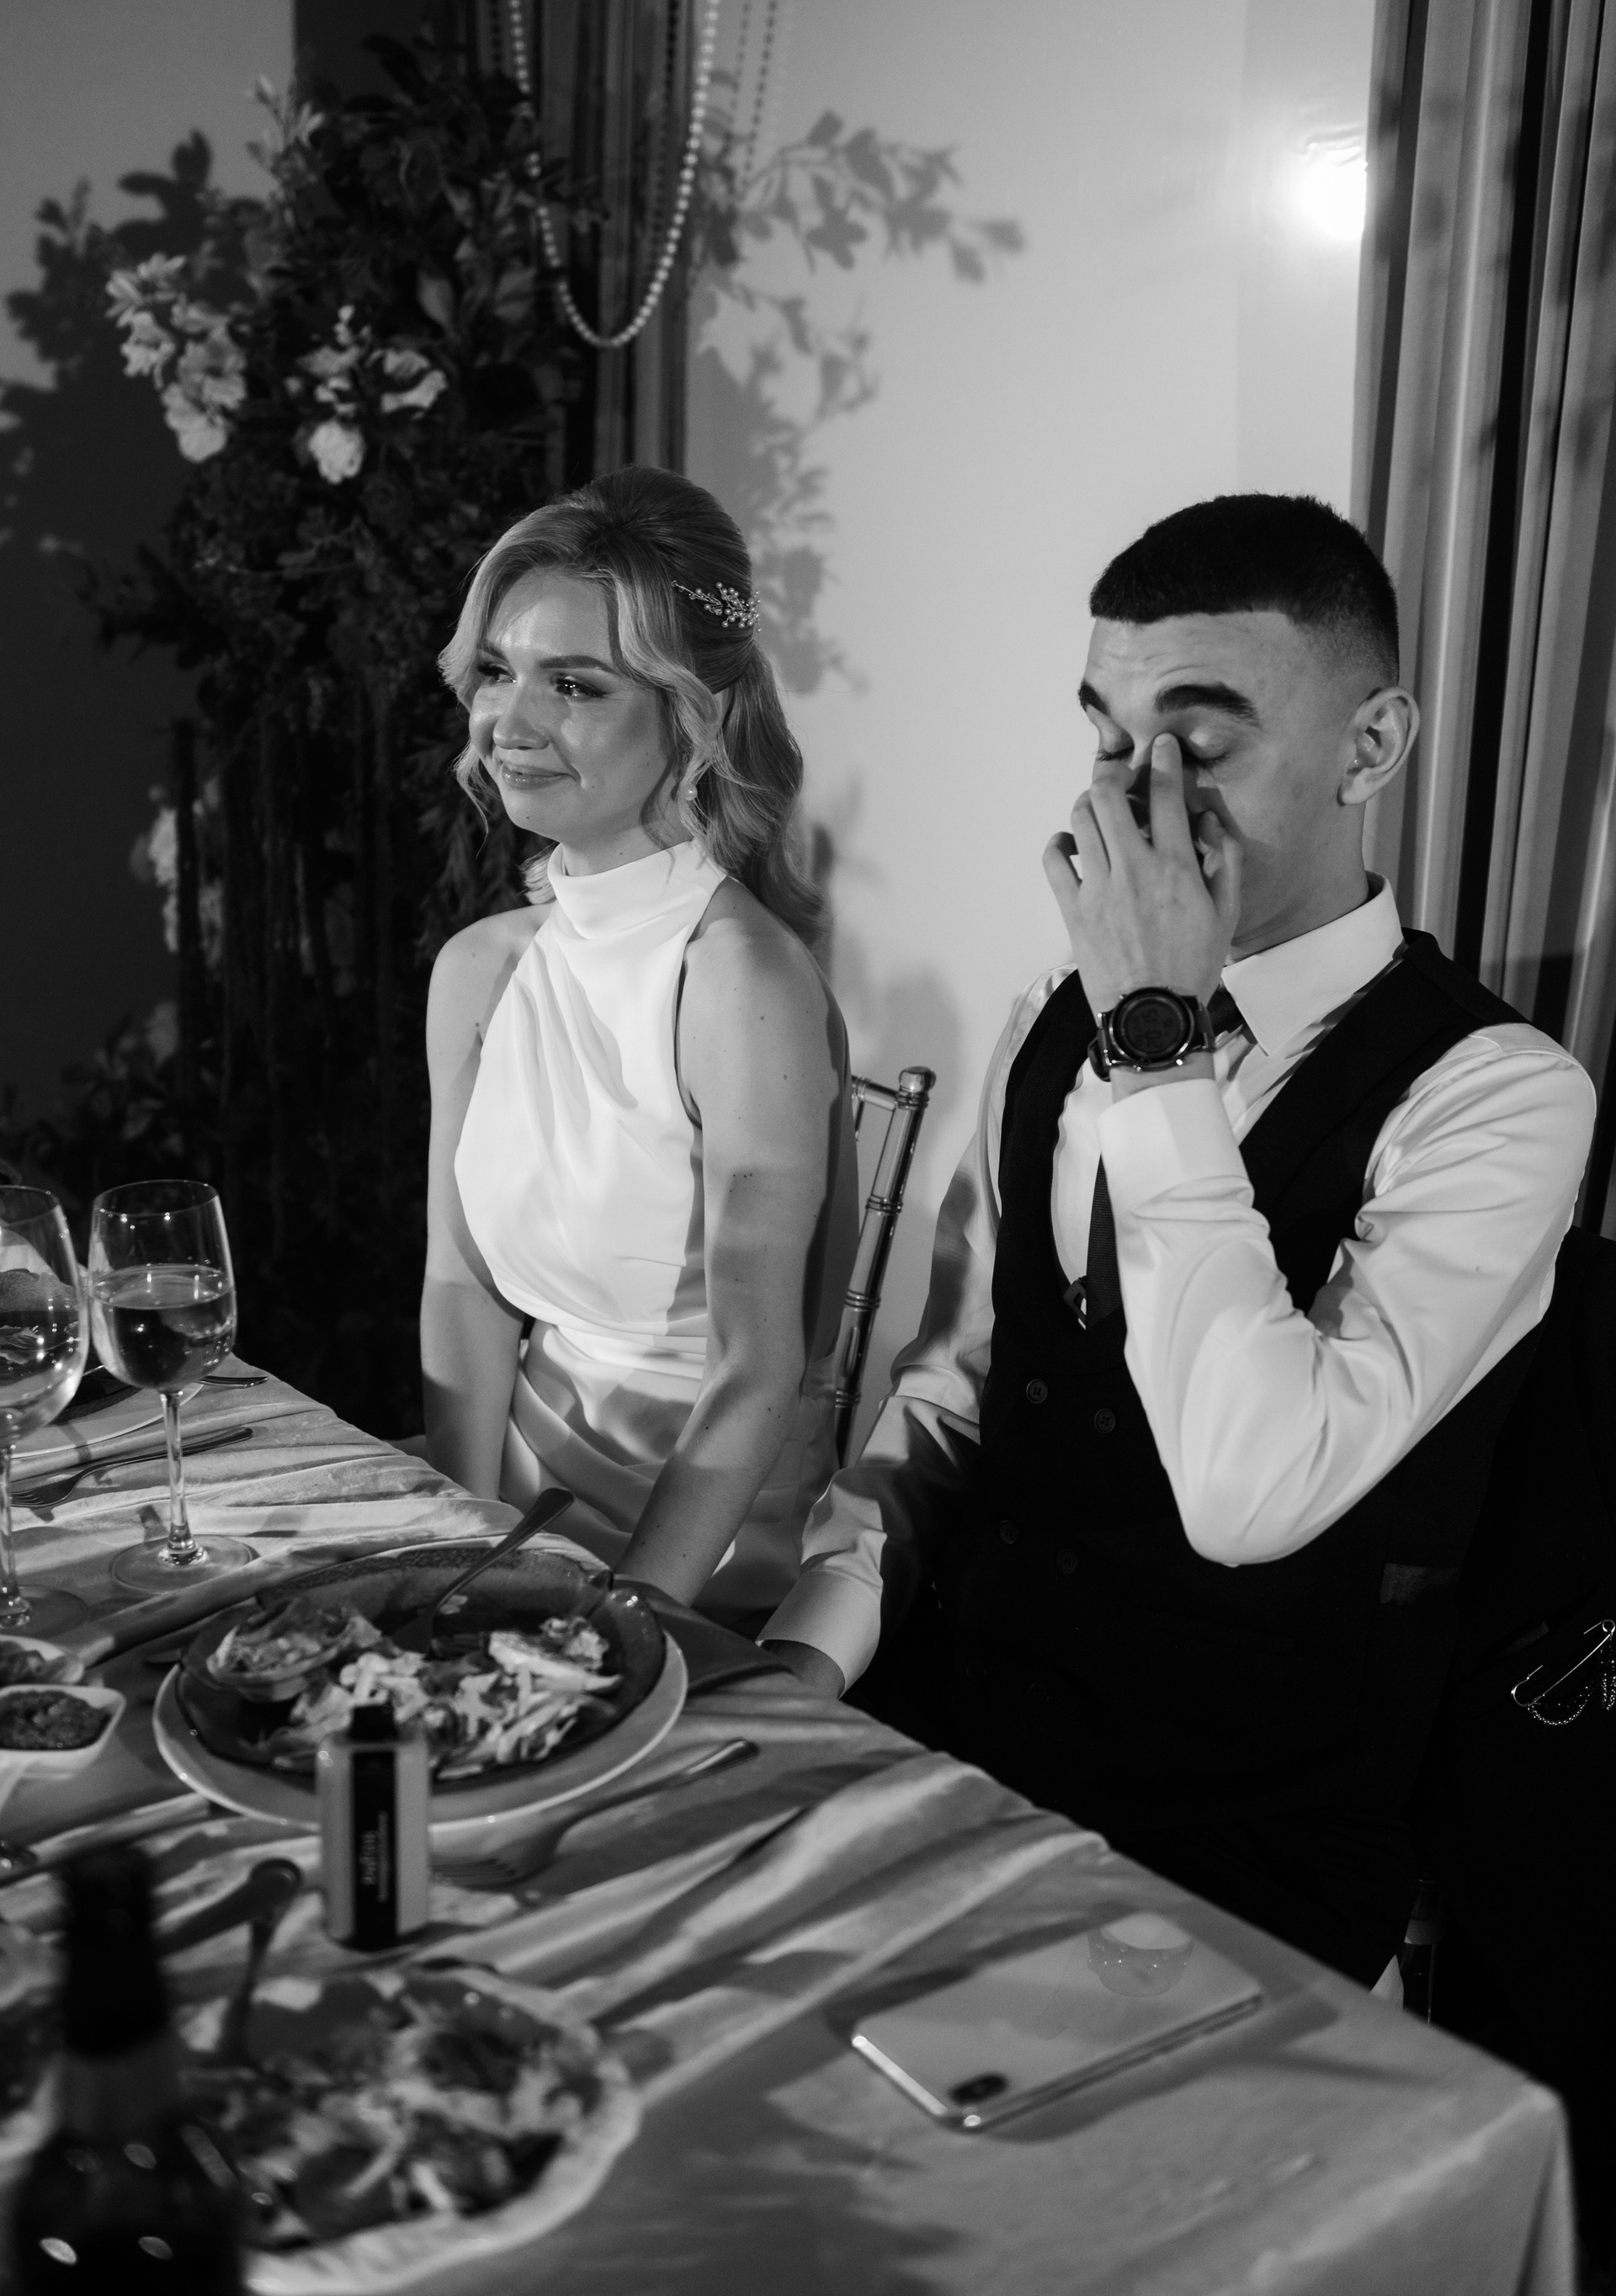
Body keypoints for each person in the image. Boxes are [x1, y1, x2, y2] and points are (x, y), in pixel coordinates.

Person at [760, 493, 1595, 1992]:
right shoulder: (1048, 1015)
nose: (1134, 800)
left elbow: (1249, 1494)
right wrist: (809, 1646)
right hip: (956, 1751)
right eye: (1106, 737)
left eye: (1198, 745)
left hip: (1249, 1855)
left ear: (1371, 747)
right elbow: (963, 1386)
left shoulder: (1499, 1095)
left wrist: (1156, 1040)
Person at [422, 465, 858, 1625]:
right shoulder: (480, 970)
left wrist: (617, 1625)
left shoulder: (743, 981)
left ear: (693, 717)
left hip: (700, 1554)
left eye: (574, 684)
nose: (510, 724)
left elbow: (761, 1369)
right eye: (497, 671)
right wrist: (456, 1551)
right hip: (515, 1505)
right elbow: (462, 1286)